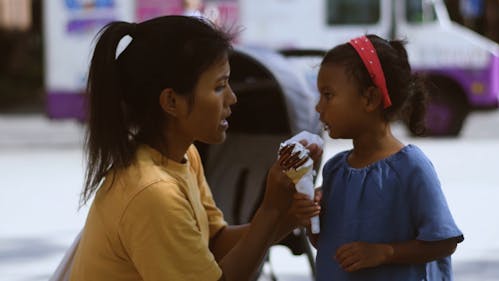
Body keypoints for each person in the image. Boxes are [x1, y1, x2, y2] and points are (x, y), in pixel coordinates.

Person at [69, 15, 321, 281]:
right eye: (219, 86)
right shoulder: (152, 193)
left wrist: (291, 214)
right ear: (171, 101)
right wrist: (270, 207)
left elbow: (215, 243)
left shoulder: (184, 155)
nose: (232, 98)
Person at [303, 34, 464, 280]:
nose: (318, 107)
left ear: (370, 99)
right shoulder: (334, 170)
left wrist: (385, 252)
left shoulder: (411, 167)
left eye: (328, 95)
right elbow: (327, 245)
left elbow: (444, 242)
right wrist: (311, 219)